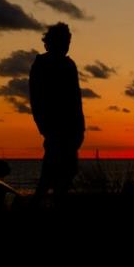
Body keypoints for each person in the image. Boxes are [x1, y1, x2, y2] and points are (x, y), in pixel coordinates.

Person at [29, 22, 85, 206]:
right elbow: (37, 99)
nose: (67, 45)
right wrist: (45, 128)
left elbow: (76, 100)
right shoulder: (42, 64)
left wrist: (79, 130)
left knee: (64, 177)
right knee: (49, 177)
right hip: (55, 131)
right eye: (64, 41)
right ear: (53, 42)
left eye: (68, 41)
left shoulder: (69, 65)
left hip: (71, 132)